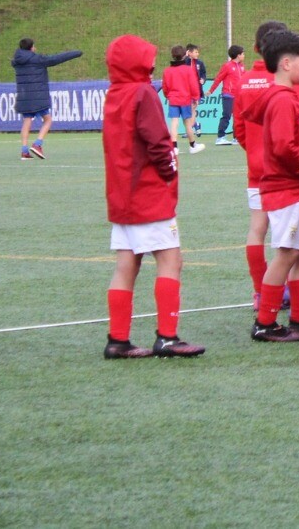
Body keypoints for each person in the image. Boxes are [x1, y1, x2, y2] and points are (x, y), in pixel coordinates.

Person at [101, 35, 204, 359]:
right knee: (171, 260)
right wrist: (170, 169)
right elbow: (157, 142)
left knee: (125, 265)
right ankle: (167, 336)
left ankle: (118, 340)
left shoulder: (115, 92)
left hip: (122, 194)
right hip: (146, 193)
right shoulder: (142, 92)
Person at [249, 29, 299, 343]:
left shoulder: (286, 97)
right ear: (286, 64)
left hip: (295, 188)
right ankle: (265, 322)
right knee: (287, 254)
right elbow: (282, 146)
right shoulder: (281, 100)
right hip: (286, 189)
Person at [234, 20, 288, 302]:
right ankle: (282, 289)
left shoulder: (243, 82)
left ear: (256, 48)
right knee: (288, 234)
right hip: (283, 172)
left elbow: (240, 130)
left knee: (257, 229)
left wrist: (254, 151)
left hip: (256, 170)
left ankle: (260, 290)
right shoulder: (283, 80)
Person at [11, 37, 81, 160]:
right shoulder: (37, 59)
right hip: (38, 96)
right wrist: (76, 53)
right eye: (34, 46)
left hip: (24, 96)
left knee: (27, 121)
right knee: (48, 120)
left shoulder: (17, 61)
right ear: (31, 48)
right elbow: (55, 59)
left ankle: (24, 151)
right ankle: (38, 144)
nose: (35, 48)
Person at [162, 45, 205, 154]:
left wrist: (168, 95)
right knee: (187, 123)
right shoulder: (187, 70)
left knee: (174, 122)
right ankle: (192, 145)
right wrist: (196, 98)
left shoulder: (167, 71)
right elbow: (193, 85)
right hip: (185, 99)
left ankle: (174, 147)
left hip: (173, 99)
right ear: (185, 55)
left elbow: (165, 86)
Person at [209, 44, 246, 146]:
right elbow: (218, 78)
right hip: (228, 95)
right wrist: (211, 90)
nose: (244, 55)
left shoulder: (242, 67)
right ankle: (220, 137)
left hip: (239, 96)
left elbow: (244, 80)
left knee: (238, 117)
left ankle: (236, 138)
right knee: (226, 116)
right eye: (243, 54)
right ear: (238, 55)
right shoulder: (227, 66)